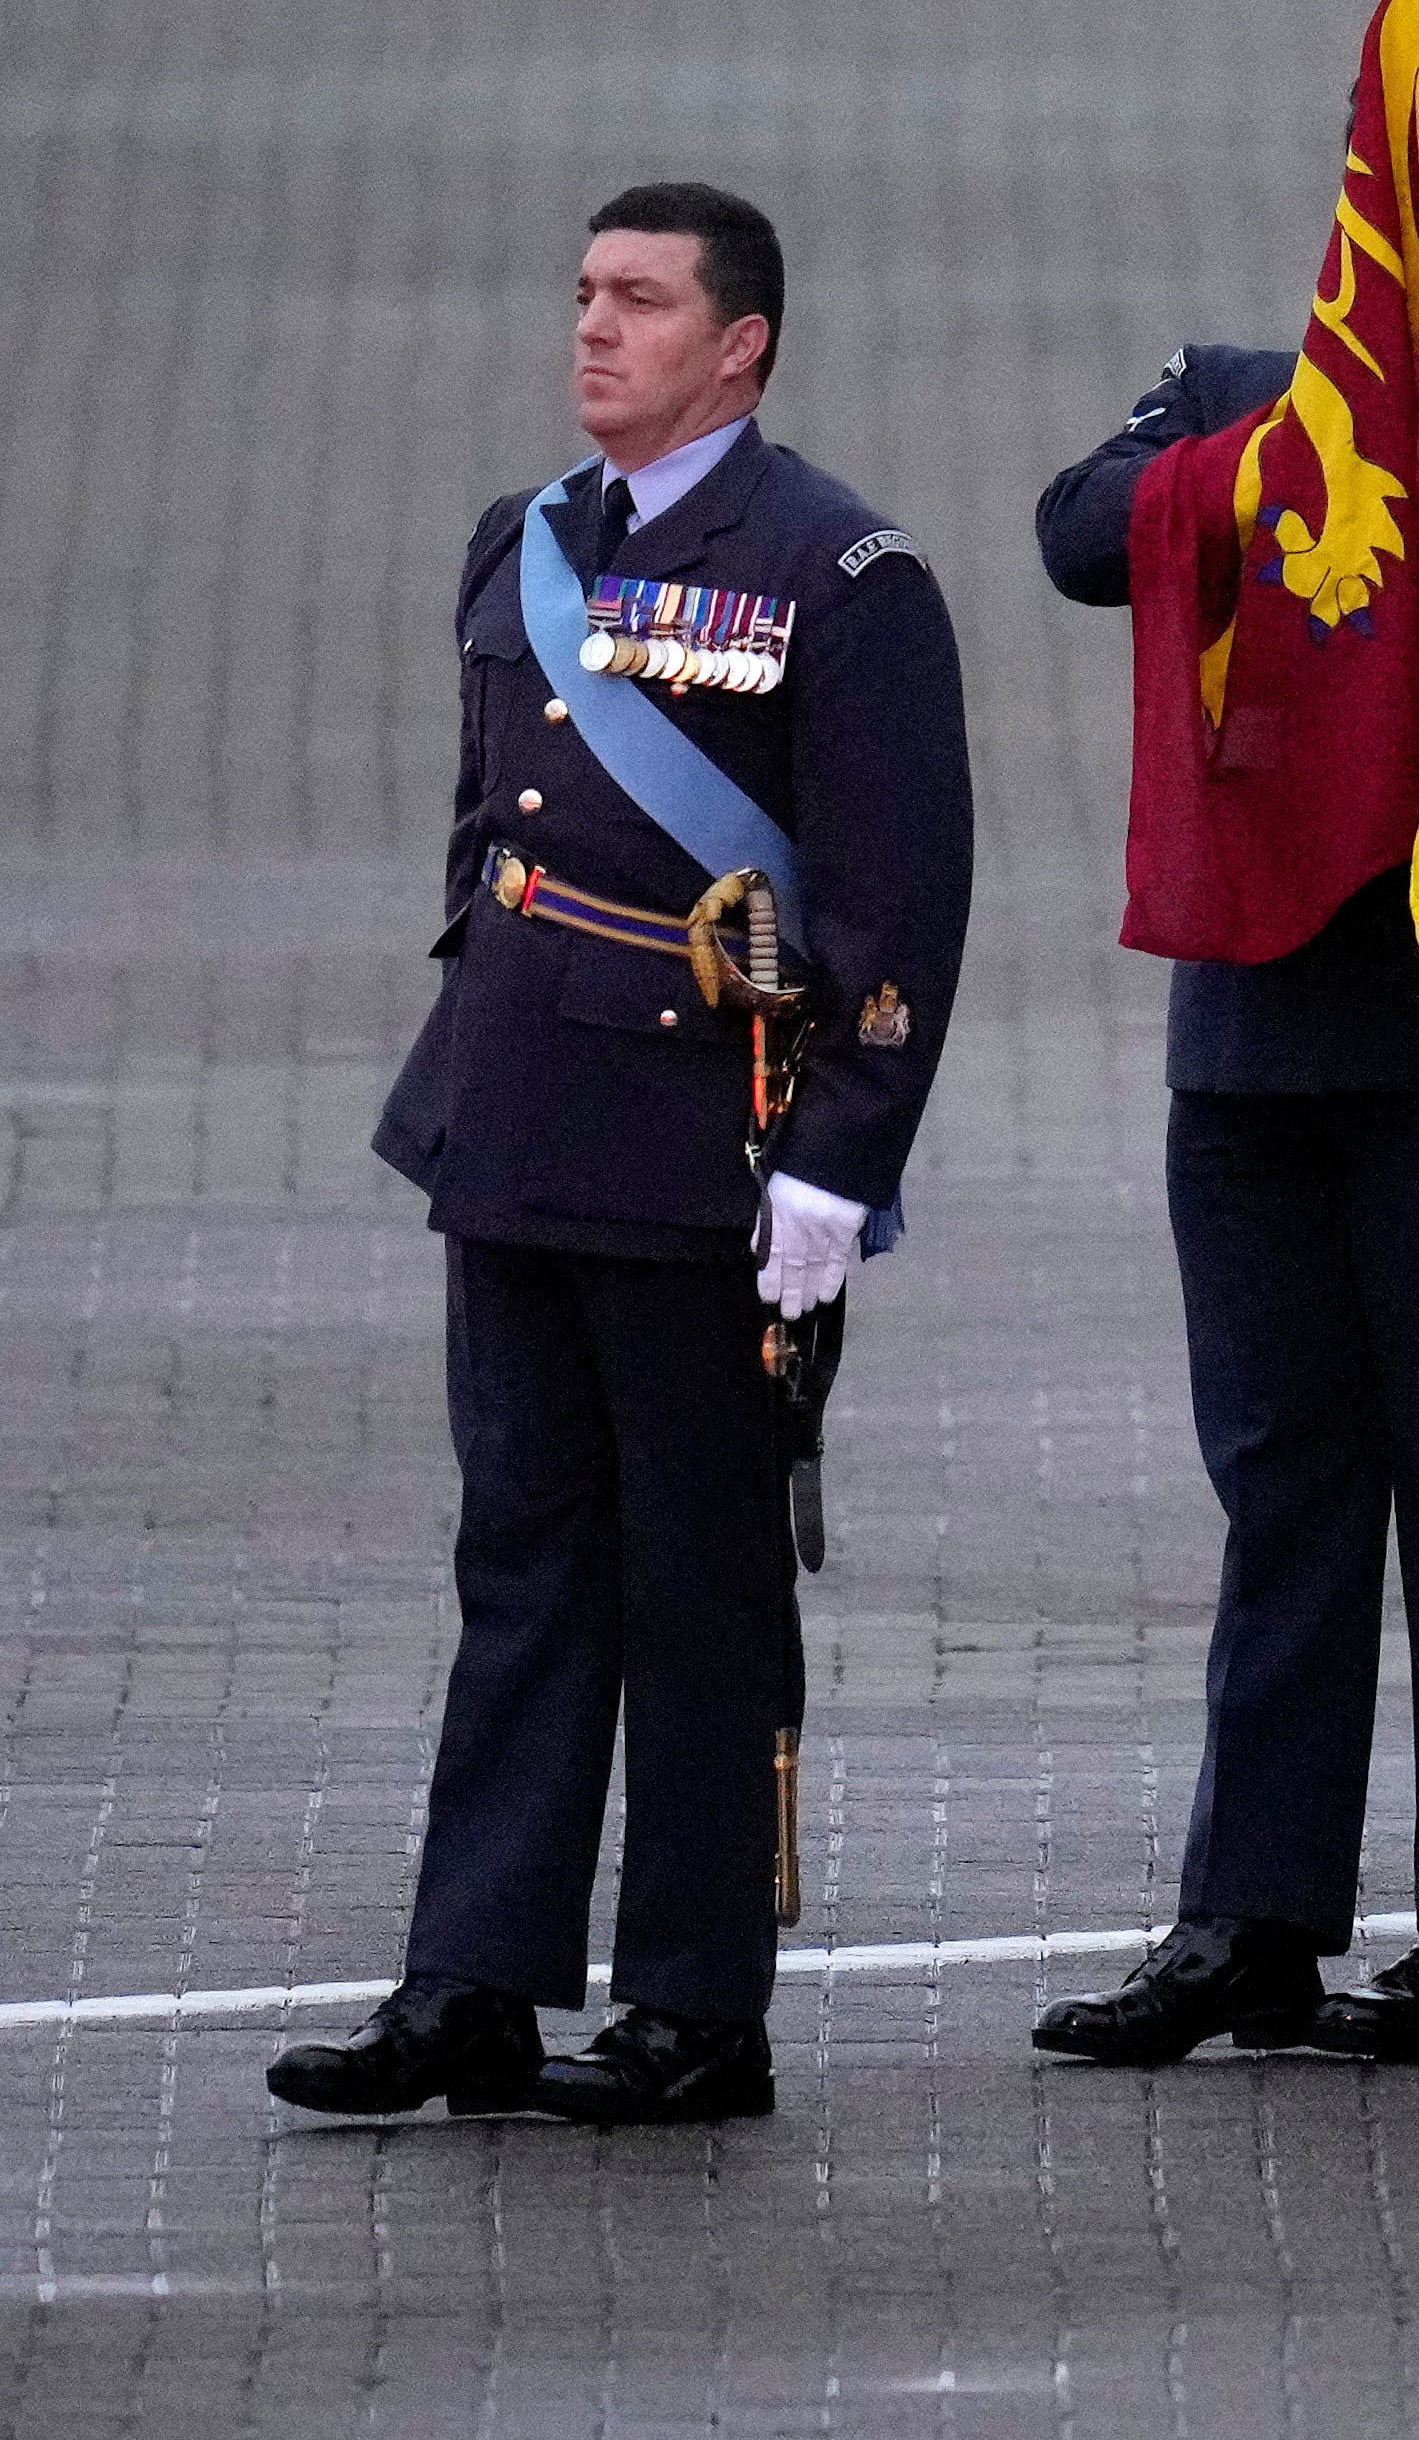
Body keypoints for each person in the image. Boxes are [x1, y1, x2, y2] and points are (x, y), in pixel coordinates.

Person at [269, 185, 972, 2126]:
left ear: (737, 342)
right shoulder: (532, 540)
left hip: (696, 1143)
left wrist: (841, 1154)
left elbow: (904, 898)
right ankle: (474, 1977)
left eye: (641, 302)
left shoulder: (841, 572)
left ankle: (691, 2003)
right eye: (586, 294)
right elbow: (485, 828)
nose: (595, 329)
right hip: (508, 1117)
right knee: (520, 1559)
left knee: (697, 1576)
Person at [1021, 347, 1419, 2069]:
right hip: (1253, 1031)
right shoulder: (1244, 387)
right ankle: (1253, 1919)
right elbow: (1076, 533)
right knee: (1283, 1487)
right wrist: (1288, 447)